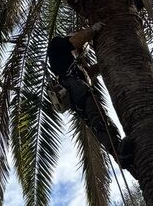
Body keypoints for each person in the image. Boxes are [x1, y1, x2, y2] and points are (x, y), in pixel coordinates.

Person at [47, 23, 136, 177]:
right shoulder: (57, 43)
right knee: (99, 119)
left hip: (76, 92)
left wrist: (109, 59)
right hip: (76, 89)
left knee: (100, 119)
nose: (78, 52)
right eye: (78, 49)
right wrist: (93, 30)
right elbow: (74, 42)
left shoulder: (71, 63)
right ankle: (118, 152)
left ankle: (128, 162)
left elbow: (89, 72)